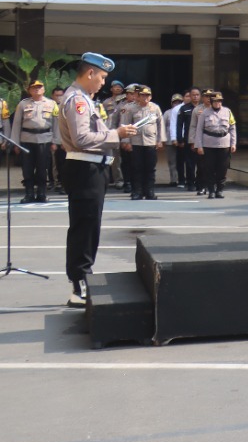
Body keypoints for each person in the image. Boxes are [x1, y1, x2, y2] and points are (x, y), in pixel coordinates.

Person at [57, 52, 138, 307]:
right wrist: (117, 134)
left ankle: (83, 281)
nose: (103, 83)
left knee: (90, 226)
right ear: (90, 73)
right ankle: (79, 284)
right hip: (84, 169)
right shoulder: (77, 100)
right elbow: (81, 139)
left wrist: (114, 133)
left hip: (93, 169)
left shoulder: (86, 100)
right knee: (84, 227)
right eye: (102, 77)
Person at [9, 79, 56, 204]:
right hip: (27, 139)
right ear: (29, 90)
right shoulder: (23, 104)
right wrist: (15, 143)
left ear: (44, 89)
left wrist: (56, 141)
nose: (37, 89)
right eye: (34, 87)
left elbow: (56, 124)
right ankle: (29, 193)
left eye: (40, 87)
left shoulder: (52, 104)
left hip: (45, 139)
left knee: (42, 168)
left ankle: (42, 193)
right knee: (27, 168)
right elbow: (16, 124)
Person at [117, 84, 166, 200]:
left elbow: (160, 125)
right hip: (136, 142)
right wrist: (126, 141)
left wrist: (160, 140)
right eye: (143, 95)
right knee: (136, 168)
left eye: (147, 96)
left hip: (150, 141)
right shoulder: (130, 108)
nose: (145, 98)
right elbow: (125, 125)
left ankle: (149, 191)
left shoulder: (155, 108)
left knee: (150, 168)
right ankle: (136, 191)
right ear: (138, 96)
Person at [193, 90, 237, 199]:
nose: (218, 103)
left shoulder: (227, 112)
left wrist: (233, 143)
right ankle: (211, 190)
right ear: (211, 102)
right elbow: (199, 130)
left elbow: (232, 128)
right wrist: (199, 145)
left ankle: (220, 190)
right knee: (209, 168)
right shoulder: (204, 113)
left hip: (224, 144)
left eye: (220, 101)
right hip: (209, 144)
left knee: (222, 168)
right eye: (215, 101)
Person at [163, 94, 185, 187]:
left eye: (179, 102)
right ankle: (173, 179)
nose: (176, 104)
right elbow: (163, 126)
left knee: (182, 160)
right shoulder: (167, 113)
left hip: (181, 139)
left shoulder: (184, 111)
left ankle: (183, 178)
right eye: (175, 102)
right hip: (169, 140)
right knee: (172, 161)